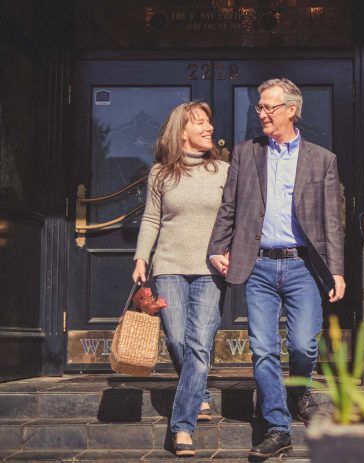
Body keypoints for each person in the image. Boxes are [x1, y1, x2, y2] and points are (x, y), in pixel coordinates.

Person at [208, 78, 346, 459]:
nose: (262, 113)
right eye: (260, 107)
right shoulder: (246, 153)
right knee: (264, 350)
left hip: (303, 266)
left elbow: (332, 221)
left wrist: (336, 270)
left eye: (269, 107)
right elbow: (230, 207)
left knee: (303, 343)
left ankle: (298, 391)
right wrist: (217, 248)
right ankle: (276, 427)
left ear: (291, 110)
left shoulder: (322, 159)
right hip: (259, 266)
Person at [132, 101, 228, 458]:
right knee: (175, 336)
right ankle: (199, 393)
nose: (209, 129)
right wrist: (142, 257)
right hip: (169, 264)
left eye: (209, 123)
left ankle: (182, 427)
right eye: (200, 123)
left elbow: (233, 219)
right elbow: (152, 220)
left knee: (200, 342)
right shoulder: (160, 173)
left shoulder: (224, 171)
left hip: (210, 270)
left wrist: (231, 251)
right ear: (182, 130)